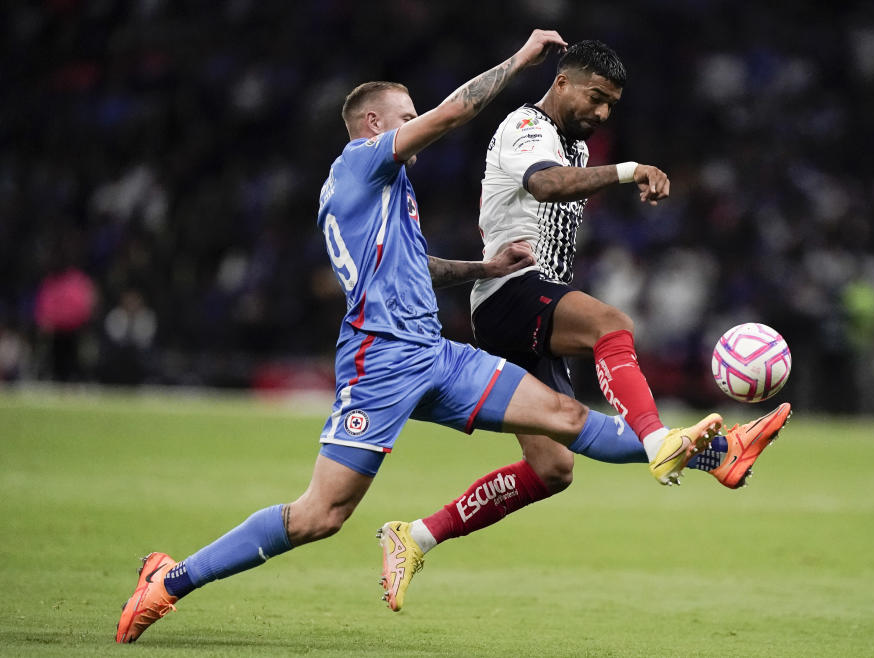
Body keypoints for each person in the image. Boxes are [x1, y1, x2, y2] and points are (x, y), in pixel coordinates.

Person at [115, 29, 703, 643]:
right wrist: (522, 60)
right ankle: (169, 580)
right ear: (373, 123)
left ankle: (706, 450)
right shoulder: (362, 161)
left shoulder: (385, 191)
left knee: (564, 418)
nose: (417, 123)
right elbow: (457, 112)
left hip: (436, 354)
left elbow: (415, 269)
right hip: (382, 359)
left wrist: (483, 269)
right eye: (406, 116)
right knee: (321, 515)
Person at [375, 40, 792, 612]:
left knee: (553, 469)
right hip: (509, 293)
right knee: (611, 324)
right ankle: (665, 443)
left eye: (611, 106)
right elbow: (543, 185)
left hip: (522, 304)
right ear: (565, 82)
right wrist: (629, 170)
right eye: (596, 97)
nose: (602, 113)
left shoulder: (572, 141)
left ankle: (414, 537)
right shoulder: (527, 125)